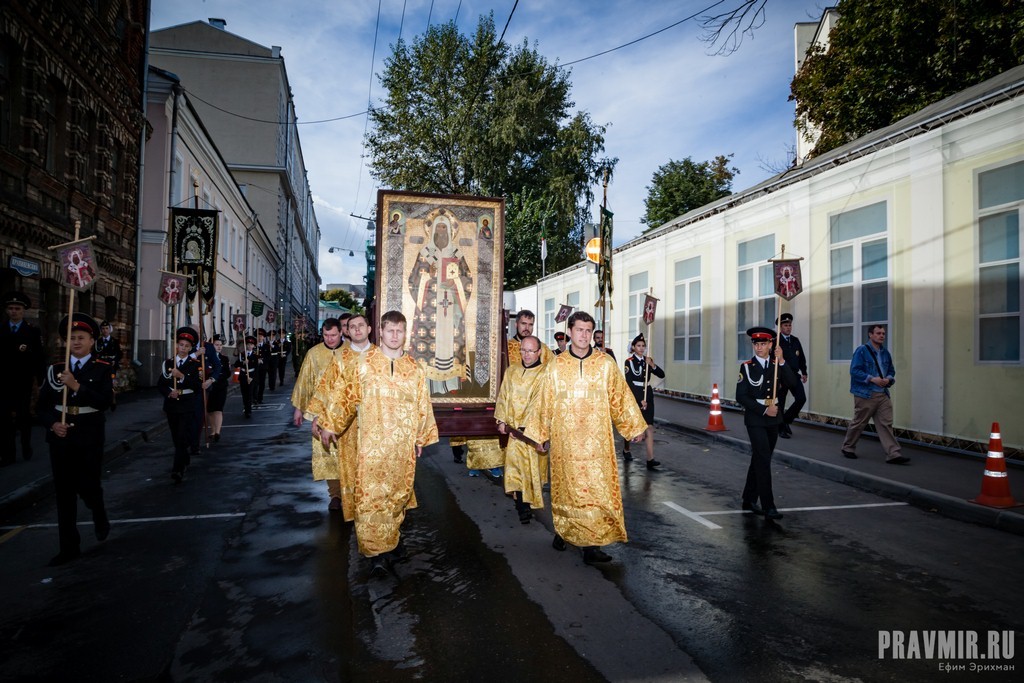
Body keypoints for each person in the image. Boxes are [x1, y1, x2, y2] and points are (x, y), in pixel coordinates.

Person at [317, 310, 439, 577]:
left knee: (398, 496)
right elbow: (345, 396)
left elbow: (423, 404)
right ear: (381, 332)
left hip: (402, 447)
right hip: (372, 446)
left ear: (405, 334)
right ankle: (376, 554)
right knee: (371, 498)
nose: (394, 335)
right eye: (390, 330)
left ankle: (390, 540)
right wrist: (330, 424)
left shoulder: (414, 369)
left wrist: (421, 436)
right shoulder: (364, 364)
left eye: (399, 331)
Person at [527, 311, 646, 565]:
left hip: (597, 443)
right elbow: (544, 401)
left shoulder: (605, 364)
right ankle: (564, 531)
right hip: (565, 442)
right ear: (570, 332)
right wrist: (540, 434)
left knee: (596, 492)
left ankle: (592, 545)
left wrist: (633, 426)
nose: (584, 335)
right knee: (567, 492)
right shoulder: (556, 366)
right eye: (579, 330)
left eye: (588, 331)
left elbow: (620, 397)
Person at [37, 313, 113, 566]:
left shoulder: (102, 368)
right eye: (72, 338)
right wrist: (52, 424)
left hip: (89, 435)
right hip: (61, 437)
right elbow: (41, 407)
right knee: (64, 492)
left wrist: (77, 386)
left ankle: (98, 512)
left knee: (89, 485)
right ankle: (68, 546)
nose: (76, 342)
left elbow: (105, 402)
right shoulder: (55, 370)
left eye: (81, 337)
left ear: (92, 341)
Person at [305, 313, 375, 522]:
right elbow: (326, 389)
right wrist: (318, 417)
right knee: (348, 464)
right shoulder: (340, 359)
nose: (357, 329)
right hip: (347, 425)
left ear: (369, 329)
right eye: (352, 327)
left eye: (361, 325)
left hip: (374, 423)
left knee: (372, 465)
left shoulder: (380, 356)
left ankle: (371, 505)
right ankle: (348, 503)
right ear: (348, 331)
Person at [735, 327, 800, 520]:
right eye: (756, 344)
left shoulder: (777, 364)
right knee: (763, 459)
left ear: (771, 345)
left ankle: (748, 499)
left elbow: (793, 383)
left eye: (763, 344)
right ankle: (768, 505)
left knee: (760, 458)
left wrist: (782, 360)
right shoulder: (747, 367)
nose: (759, 347)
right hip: (756, 418)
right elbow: (741, 396)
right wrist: (764, 410)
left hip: (774, 419)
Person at [408, 213, 472, 393]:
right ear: (433, 230)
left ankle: (451, 385)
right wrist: (428, 277)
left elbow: (468, 280)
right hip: (429, 312)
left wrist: (455, 282)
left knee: (452, 345)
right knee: (428, 346)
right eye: (439, 227)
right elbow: (413, 281)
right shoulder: (425, 254)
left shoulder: (457, 254)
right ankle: (428, 387)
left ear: (450, 231)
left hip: (452, 309)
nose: (442, 231)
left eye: (445, 227)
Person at [291, 318, 346, 510]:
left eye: (333, 335)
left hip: (346, 412)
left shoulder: (350, 352)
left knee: (347, 454)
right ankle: (335, 495)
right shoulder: (314, 353)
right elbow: (305, 381)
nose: (329, 339)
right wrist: (299, 408)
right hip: (321, 413)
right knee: (328, 454)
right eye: (326, 335)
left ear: (341, 333)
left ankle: (350, 493)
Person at [495, 335, 548, 524]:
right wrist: (501, 419)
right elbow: (503, 396)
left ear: (539, 352)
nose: (526, 354)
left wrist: (526, 427)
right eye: (523, 350)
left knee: (530, 471)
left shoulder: (545, 374)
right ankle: (522, 507)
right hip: (513, 432)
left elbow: (539, 402)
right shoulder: (512, 371)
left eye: (530, 351)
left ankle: (527, 503)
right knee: (515, 469)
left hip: (532, 433)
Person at [842, 325, 908, 464]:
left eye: (883, 333)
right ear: (870, 335)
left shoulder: (885, 353)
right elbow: (854, 371)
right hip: (866, 394)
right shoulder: (861, 351)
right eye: (878, 333)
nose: (882, 335)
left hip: (883, 394)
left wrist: (888, 379)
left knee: (886, 424)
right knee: (859, 423)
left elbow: (891, 370)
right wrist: (872, 379)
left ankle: (893, 454)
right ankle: (848, 447)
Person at [1, 291, 45, 465]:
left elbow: (39, 357)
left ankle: (26, 445)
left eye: (17, 308)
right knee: (4, 419)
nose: (14, 311)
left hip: (23, 382)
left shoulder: (32, 331)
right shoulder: (1, 329)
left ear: (23, 310)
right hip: (4, 383)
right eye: (11, 308)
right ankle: (8, 454)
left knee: (23, 417)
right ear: (7, 310)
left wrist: (40, 379)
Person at [158, 327, 203, 483]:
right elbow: (161, 384)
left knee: (182, 435)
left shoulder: (195, 364)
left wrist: (182, 376)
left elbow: (197, 386)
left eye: (186, 346)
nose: (183, 348)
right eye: (181, 345)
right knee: (176, 437)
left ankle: (177, 469)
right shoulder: (168, 363)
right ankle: (184, 458)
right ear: (176, 345)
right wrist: (169, 393)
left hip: (187, 404)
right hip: (171, 405)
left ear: (191, 348)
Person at [621, 333, 666, 469]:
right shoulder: (629, 362)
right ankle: (626, 449)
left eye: (643, 346)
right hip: (635, 395)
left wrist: (652, 365)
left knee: (649, 427)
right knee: (631, 425)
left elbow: (662, 375)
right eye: (638, 346)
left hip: (648, 394)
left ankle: (650, 459)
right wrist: (640, 399)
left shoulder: (648, 360)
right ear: (633, 347)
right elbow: (629, 382)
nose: (641, 348)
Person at [775, 313, 807, 439]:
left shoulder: (795, 340)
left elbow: (801, 358)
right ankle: (780, 428)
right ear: (780, 327)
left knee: (801, 398)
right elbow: (772, 361)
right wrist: (775, 378)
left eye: (790, 325)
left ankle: (786, 421)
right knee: (781, 403)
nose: (788, 327)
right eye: (785, 325)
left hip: (794, 375)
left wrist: (804, 372)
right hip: (781, 376)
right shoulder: (776, 341)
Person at [206, 334, 230, 442]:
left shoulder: (224, 358)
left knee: (218, 409)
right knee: (210, 410)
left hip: (221, 386)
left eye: (220, 345)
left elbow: (227, 373)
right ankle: (212, 430)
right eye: (216, 345)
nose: (219, 347)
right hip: (210, 387)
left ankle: (217, 432)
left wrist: (217, 377)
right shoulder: (207, 358)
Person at [96, 321, 123, 411]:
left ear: (110, 329)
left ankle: (113, 400)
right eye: (103, 328)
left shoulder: (114, 341)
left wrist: (115, 360)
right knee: (101, 383)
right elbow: (94, 353)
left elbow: (119, 353)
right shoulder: (98, 342)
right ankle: (102, 400)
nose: (105, 330)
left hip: (111, 366)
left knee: (112, 383)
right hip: (101, 365)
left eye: (107, 328)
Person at [234, 334, 259, 418]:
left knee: (249, 393)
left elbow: (256, 368)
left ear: (253, 346)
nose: (249, 346)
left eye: (251, 345)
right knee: (244, 393)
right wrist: (243, 363)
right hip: (243, 375)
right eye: (248, 344)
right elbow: (236, 364)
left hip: (251, 376)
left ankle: (248, 410)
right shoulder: (242, 354)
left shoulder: (255, 356)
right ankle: (246, 407)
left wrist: (252, 377)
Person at [254, 328, 269, 404]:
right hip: (255, 367)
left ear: (263, 337)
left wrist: (263, 360)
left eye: (261, 336)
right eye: (258, 336)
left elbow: (268, 356)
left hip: (263, 367)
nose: (259, 337)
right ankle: (254, 398)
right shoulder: (254, 346)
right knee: (255, 383)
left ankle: (260, 398)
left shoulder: (266, 346)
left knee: (262, 383)